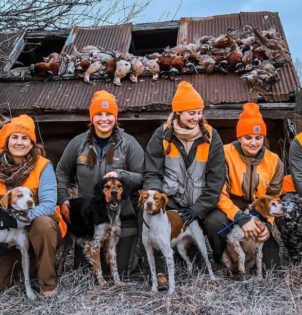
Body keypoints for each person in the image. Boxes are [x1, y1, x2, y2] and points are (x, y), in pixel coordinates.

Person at [143, 81, 225, 286]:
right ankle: (161, 272)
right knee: (147, 217)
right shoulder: (162, 134)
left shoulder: (211, 136)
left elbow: (216, 179)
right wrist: (157, 196)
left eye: (199, 112)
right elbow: (152, 171)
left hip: (203, 203)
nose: (196, 117)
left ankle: (219, 261)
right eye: (191, 113)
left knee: (217, 222)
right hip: (171, 201)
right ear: (177, 112)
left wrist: (198, 208)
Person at [56, 90, 144, 277]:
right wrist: (63, 198)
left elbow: (143, 176)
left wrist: (121, 174)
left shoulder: (129, 144)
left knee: (119, 272)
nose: (104, 119)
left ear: (116, 116)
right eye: (99, 114)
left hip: (122, 217)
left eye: (109, 114)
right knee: (86, 272)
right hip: (89, 219)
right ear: (92, 117)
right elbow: (61, 172)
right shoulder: (78, 143)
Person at [206, 102, 284, 268]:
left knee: (272, 266)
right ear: (239, 137)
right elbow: (218, 193)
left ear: (264, 137)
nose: (253, 143)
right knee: (213, 222)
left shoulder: (274, 161)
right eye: (247, 137)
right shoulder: (225, 154)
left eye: (258, 138)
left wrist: (267, 225)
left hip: (258, 209)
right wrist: (241, 217)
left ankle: (253, 252)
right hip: (230, 208)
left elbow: (275, 196)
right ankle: (222, 259)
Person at [0, 114, 65, 297]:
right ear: (6, 141)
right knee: (3, 284)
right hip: (6, 233)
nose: (19, 142)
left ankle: (47, 284)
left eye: (25, 138)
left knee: (43, 223)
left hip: (40, 228)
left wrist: (20, 219)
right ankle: (17, 267)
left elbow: (49, 205)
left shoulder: (42, 166)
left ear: (32, 143)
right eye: (14, 137)